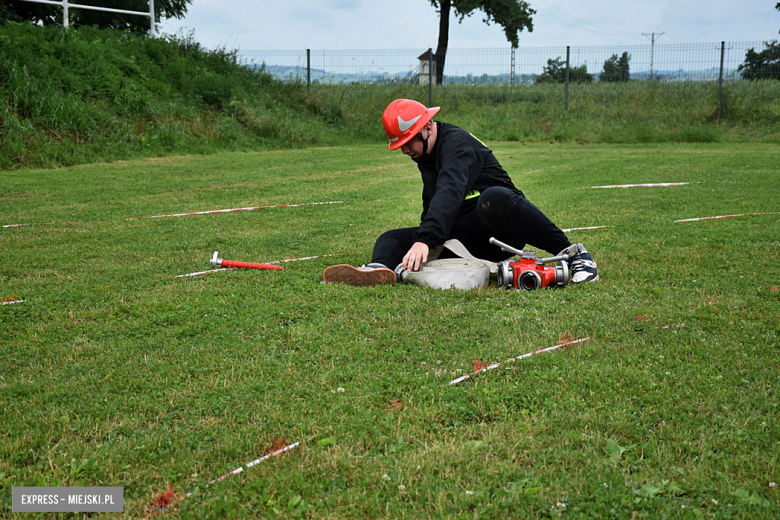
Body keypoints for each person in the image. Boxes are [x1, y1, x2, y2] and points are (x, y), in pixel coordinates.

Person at [323, 98, 598, 287]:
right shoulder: (426, 154)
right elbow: (433, 202)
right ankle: (379, 269)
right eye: (400, 145)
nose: (405, 150)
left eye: (408, 142)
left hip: (500, 228)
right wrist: (422, 239)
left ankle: (575, 255)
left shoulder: (457, 145)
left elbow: (450, 192)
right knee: (391, 238)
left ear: (427, 128)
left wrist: (425, 240)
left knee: (494, 198)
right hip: (465, 236)